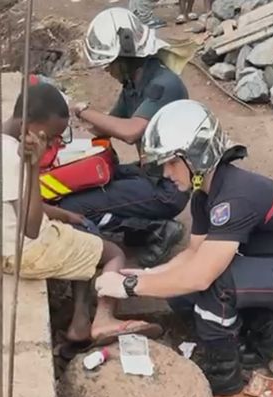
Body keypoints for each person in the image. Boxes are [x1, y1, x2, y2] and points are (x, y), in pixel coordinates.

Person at [94, 100, 273, 396]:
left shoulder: (235, 197)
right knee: (179, 293)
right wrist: (148, 274)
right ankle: (267, 330)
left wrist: (132, 286)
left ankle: (225, 380)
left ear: (197, 156)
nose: (167, 172)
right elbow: (194, 253)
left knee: (215, 284)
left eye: (171, 162)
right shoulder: (205, 195)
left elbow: (201, 275)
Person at [0, 82, 162, 349]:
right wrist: (33, 167)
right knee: (113, 252)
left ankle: (79, 323)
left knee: (81, 231)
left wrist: (63, 215)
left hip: (1, 245)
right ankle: (103, 319)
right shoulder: (12, 159)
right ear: (28, 124)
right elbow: (31, 229)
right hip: (25, 251)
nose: (55, 143)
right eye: (51, 137)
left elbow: (13, 203)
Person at [60, 8, 191, 267]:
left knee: (75, 206)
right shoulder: (134, 83)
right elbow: (107, 127)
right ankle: (145, 228)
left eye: (110, 63)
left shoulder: (164, 84)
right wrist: (72, 114)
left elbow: (130, 131)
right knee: (90, 182)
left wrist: (84, 109)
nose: (107, 70)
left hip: (170, 186)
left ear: (126, 55)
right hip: (150, 172)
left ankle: (155, 230)